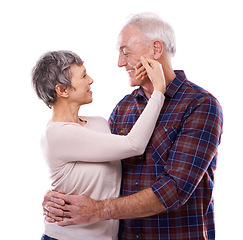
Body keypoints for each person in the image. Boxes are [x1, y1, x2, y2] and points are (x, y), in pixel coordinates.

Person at [43, 12, 223, 240]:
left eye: (125, 52)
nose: (119, 63)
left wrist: (98, 210)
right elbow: (101, 169)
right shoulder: (124, 108)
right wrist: (59, 199)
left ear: (156, 50)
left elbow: (174, 189)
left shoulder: (200, 105)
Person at [32, 50, 166, 240]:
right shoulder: (58, 133)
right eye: (84, 76)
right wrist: (159, 89)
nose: (91, 80)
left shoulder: (99, 123)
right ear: (62, 90)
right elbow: (134, 144)